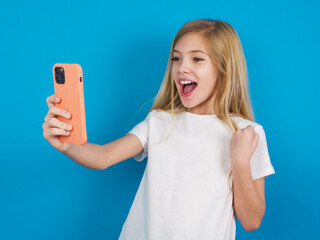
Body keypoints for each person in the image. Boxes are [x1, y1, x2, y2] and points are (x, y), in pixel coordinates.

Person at [42, 18, 275, 239]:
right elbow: (103, 156)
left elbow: (251, 221)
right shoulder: (159, 121)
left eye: (197, 59)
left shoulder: (247, 134)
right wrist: (66, 145)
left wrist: (240, 162)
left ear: (224, 69)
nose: (182, 68)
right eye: (176, 58)